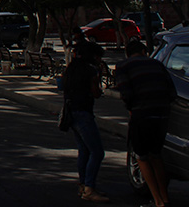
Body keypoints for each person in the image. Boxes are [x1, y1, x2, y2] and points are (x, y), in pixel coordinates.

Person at [115, 39, 176, 207]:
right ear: (143, 51)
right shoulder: (158, 65)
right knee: (156, 156)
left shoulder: (123, 66)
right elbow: (172, 92)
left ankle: (157, 200)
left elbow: (125, 92)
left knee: (142, 157)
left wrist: (131, 108)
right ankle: (165, 198)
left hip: (141, 114)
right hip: (162, 115)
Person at [64, 41, 109, 202]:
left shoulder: (71, 69)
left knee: (84, 150)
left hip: (72, 112)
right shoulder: (91, 71)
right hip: (84, 112)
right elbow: (96, 93)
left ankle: (83, 185)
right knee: (97, 152)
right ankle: (89, 188)